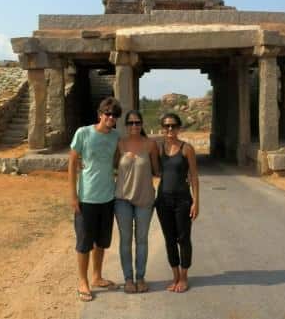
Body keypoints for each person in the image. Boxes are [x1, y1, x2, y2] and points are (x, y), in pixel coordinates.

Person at [68, 97, 122, 302]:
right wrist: (73, 195)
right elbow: (72, 163)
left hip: (107, 197)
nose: (111, 118)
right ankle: (83, 281)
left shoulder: (116, 136)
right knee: (84, 243)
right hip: (86, 198)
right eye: (108, 113)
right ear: (100, 114)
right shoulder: (83, 133)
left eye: (115, 115)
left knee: (101, 242)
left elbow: (119, 160)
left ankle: (97, 276)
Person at [114, 110, 160, 294]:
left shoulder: (150, 145)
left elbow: (157, 170)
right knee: (125, 241)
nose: (134, 126)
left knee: (141, 240)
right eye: (131, 123)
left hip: (145, 199)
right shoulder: (120, 144)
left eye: (137, 123)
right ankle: (128, 279)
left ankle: (140, 277)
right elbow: (112, 166)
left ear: (142, 124)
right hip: (122, 199)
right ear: (126, 125)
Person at [155, 112, 200, 293]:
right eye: (166, 126)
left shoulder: (186, 149)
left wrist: (196, 202)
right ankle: (174, 275)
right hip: (163, 200)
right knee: (169, 239)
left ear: (179, 128)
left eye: (173, 126)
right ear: (162, 129)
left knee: (183, 238)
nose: (170, 129)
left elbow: (194, 176)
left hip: (183, 200)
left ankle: (184, 276)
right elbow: (153, 169)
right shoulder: (158, 149)